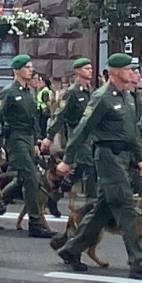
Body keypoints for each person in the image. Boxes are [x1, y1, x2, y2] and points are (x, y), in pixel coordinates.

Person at [56, 53, 142, 281]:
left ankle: (71, 249)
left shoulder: (128, 97)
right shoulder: (101, 98)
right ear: (113, 72)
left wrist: (139, 157)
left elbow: (132, 132)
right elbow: (82, 129)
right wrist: (68, 160)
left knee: (103, 210)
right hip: (107, 157)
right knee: (124, 206)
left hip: (123, 157)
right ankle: (137, 262)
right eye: (127, 69)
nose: (132, 72)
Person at [0, 54, 55, 239]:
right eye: (27, 67)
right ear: (16, 70)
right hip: (15, 138)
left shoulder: (28, 92)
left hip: (28, 138)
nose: (31, 70)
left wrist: (38, 140)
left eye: (31, 67)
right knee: (30, 176)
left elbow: (34, 119)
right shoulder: (9, 91)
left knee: (23, 179)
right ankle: (35, 223)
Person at [48, 58, 97, 195]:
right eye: (86, 68)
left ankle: (57, 192)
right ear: (78, 71)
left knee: (81, 166)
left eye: (90, 68)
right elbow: (60, 114)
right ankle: (91, 199)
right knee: (88, 166)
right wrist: (50, 135)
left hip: (90, 134)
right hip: (76, 133)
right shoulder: (72, 92)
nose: (90, 71)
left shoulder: (91, 91)